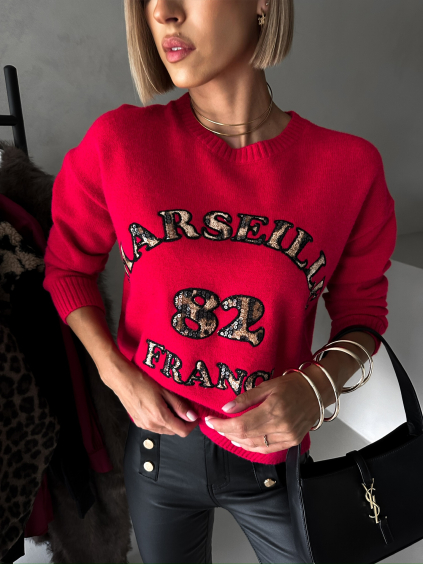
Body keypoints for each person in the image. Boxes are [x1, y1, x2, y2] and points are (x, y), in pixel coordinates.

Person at [42, 0, 397, 562]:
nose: (164, 12)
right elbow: (67, 268)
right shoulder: (121, 143)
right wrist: (117, 374)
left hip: (274, 465)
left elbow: (363, 314)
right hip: (157, 456)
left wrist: (315, 388)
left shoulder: (347, 167)